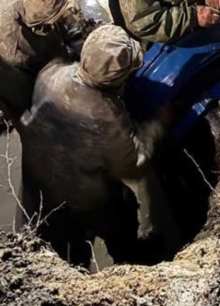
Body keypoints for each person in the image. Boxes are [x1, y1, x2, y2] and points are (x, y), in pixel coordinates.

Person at [20, 25, 178, 266]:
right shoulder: (105, 116)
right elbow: (132, 167)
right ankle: (130, 258)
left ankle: (73, 263)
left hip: (37, 180)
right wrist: (157, 126)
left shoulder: (52, 72)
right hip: (85, 197)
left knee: (67, 249)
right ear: (116, 79)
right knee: (121, 216)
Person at [0, 0, 84, 125]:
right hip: (12, 78)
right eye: (55, 21)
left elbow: (63, 11)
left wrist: (77, 43)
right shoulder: (10, 56)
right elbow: (28, 104)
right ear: (40, 27)